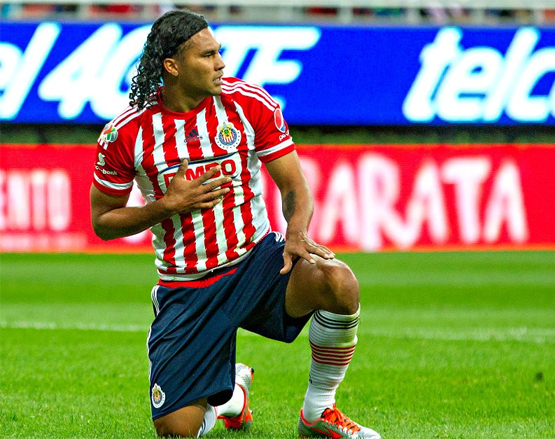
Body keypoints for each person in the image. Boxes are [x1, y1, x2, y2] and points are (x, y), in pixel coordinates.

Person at [89, 9, 380, 439]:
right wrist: (167, 205)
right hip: (188, 286)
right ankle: (231, 396)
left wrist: (296, 232)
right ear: (172, 65)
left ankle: (318, 410)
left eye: (219, 52)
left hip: (256, 264)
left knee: (338, 281)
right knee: (176, 431)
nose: (221, 63)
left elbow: (294, 185)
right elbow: (102, 221)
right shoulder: (126, 133)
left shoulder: (247, 103)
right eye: (207, 55)